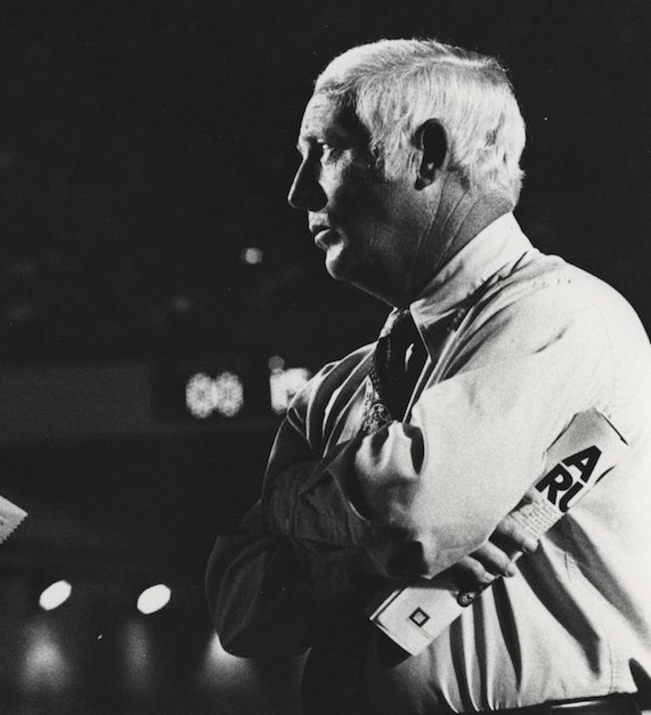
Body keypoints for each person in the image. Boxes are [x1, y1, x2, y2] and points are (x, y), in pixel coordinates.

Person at [207, 39, 651, 714]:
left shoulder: (565, 314)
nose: (299, 190)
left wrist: (297, 511)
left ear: (429, 154)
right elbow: (243, 613)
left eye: (324, 150)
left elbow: (415, 512)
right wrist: (373, 533)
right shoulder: (334, 389)